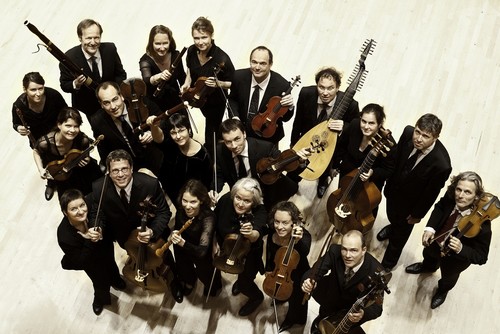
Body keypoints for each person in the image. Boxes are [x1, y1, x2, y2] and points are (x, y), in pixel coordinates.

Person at [405, 171, 493, 309]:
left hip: (455, 260)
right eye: (459, 189)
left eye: (467, 192)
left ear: (476, 197)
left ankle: (442, 291)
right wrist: (430, 228)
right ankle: (428, 267)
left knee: (448, 278)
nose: (460, 195)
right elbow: (440, 207)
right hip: (435, 242)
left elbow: (481, 257)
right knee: (428, 256)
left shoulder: (483, 226)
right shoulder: (451, 196)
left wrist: (461, 249)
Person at [378, 113, 452, 270]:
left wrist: (418, 215)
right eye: (418, 131)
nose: (418, 138)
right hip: (393, 191)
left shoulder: (441, 165)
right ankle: (392, 227)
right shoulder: (407, 133)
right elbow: (396, 160)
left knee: (399, 239)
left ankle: (387, 265)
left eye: (425, 136)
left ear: (435, 137)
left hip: (410, 207)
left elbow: (431, 194)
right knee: (392, 216)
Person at [289, 67, 360, 198]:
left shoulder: (351, 105)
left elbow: (356, 129)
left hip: (331, 145)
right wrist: (293, 146)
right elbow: (297, 122)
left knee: (325, 165)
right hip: (308, 139)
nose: (325, 93)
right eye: (321, 87)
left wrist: (344, 126)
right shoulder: (306, 94)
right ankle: (292, 182)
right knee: (294, 169)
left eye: (330, 88)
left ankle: (322, 181)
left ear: (338, 87)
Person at [210, 118, 309, 210]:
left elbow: (284, 164)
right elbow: (219, 174)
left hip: (265, 193)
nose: (234, 146)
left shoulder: (265, 148)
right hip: (240, 195)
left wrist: (299, 161)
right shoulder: (220, 151)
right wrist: (214, 190)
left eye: (237, 139)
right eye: (228, 142)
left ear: (244, 134)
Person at [57, 189, 125, 316]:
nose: (81, 211)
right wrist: (89, 240)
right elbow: (81, 261)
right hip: (89, 260)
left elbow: (98, 214)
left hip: (104, 246)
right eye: (74, 209)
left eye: (82, 205)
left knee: (111, 263)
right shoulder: (64, 236)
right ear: (65, 213)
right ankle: (101, 299)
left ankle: (116, 280)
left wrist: (97, 227)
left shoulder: (90, 201)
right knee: (99, 280)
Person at [301, 230, 385, 334]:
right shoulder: (334, 251)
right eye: (344, 249)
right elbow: (315, 271)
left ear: (363, 250)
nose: (347, 255)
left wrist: (363, 313)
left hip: (348, 315)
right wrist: (309, 281)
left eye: (353, 250)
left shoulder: (376, 271)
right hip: (330, 301)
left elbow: (377, 309)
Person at [180, 16, 235, 158]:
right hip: (199, 97)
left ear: (211, 35)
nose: (200, 42)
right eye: (196, 38)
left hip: (216, 102)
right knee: (209, 125)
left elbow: (234, 83)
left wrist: (219, 84)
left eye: (204, 37)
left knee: (212, 131)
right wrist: (187, 83)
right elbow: (190, 70)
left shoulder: (222, 58)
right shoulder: (191, 51)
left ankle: (214, 158)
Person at [330, 103, 395, 219]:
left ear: (380, 124)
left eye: (371, 123)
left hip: (369, 184)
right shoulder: (354, 125)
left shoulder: (388, 144)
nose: (366, 126)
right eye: (364, 121)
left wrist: (372, 173)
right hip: (348, 174)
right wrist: (335, 166)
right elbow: (341, 145)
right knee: (344, 196)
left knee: (364, 209)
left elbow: (388, 170)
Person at [214, 177, 267, 316]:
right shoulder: (226, 200)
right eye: (238, 198)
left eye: (247, 201)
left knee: (246, 282)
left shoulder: (260, 211)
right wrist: (214, 243)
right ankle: (240, 282)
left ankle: (256, 297)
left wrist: (250, 234)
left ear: (254, 202)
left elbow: (257, 234)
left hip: (248, 255)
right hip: (226, 248)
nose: (241, 204)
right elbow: (214, 220)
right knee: (237, 272)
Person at [60, 19, 127, 120]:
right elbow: (65, 85)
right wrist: (76, 84)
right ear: (80, 38)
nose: (93, 42)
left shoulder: (110, 49)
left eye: (96, 38)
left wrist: (113, 93)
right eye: (88, 38)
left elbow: (121, 74)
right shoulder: (69, 58)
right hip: (90, 108)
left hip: (114, 104)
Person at [91, 81, 163, 176]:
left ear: (121, 96)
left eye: (115, 99)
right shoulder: (97, 121)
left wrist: (151, 132)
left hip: (156, 159)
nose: (113, 106)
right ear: (101, 104)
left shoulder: (140, 102)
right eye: (106, 103)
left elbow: (163, 121)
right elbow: (104, 152)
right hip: (130, 171)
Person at [228, 46, 295, 144]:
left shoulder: (282, 85)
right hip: (242, 131)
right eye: (254, 62)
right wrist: (235, 117)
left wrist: (290, 107)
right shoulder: (238, 76)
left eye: (262, 63)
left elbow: (285, 118)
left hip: (267, 136)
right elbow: (232, 99)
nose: (257, 67)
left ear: (270, 64)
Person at [33, 107, 102, 201]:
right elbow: (36, 151)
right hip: (63, 176)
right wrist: (41, 169)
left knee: (98, 195)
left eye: (76, 126)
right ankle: (51, 184)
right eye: (68, 126)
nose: (72, 130)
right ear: (59, 125)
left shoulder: (82, 139)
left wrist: (87, 159)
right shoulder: (45, 143)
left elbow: (86, 154)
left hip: (83, 172)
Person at [169, 179, 222, 301]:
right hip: (182, 245)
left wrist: (183, 243)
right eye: (185, 201)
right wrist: (175, 233)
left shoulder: (208, 218)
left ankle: (213, 286)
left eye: (193, 202)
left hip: (200, 249)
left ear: (201, 201)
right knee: (183, 267)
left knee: (205, 273)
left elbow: (202, 251)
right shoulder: (181, 210)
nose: (187, 206)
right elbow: (177, 227)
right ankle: (189, 281)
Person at [147, 113, 212, 207]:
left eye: (181, 131)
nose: (178, 136)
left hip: (192, 196)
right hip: (172, 189)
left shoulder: (203, 155)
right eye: (173, 133)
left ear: (189, 130)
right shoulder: (172, 145)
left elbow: (207, 182)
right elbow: (159, 140)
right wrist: (153, 126)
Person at [264, 201, 311, 332]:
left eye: (285, 223)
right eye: (276, 221)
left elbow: (305, 251)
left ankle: (293, 320)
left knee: (297, 302)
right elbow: (269, 252)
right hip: (279, 271)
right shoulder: (272, 235)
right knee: (279, 291)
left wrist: (297, 241)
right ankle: (281, 298)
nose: (279, 227)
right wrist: (268, 268)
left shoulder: (304, 236)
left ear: (293, 223)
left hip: (298, 274)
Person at [12, 72, 67, 148]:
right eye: (33, 90)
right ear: (25, 89)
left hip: (62, 137)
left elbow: (67, 112)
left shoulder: (53, 95)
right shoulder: (19, 106)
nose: (38, 93)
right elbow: (16, 123)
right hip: (41, 144)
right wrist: (19, 128)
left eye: (41, 88)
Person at [139, 25, 187, 111]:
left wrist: (185, 92)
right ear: (151, 43)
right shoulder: (145, 60)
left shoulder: (176, 55)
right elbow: (146, 80)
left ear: (170, 42)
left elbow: (182, 77)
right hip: (155, 104)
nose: (162, 48)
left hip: (176, 101)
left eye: (165, 43)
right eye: (157, 44)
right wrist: (159, 76)